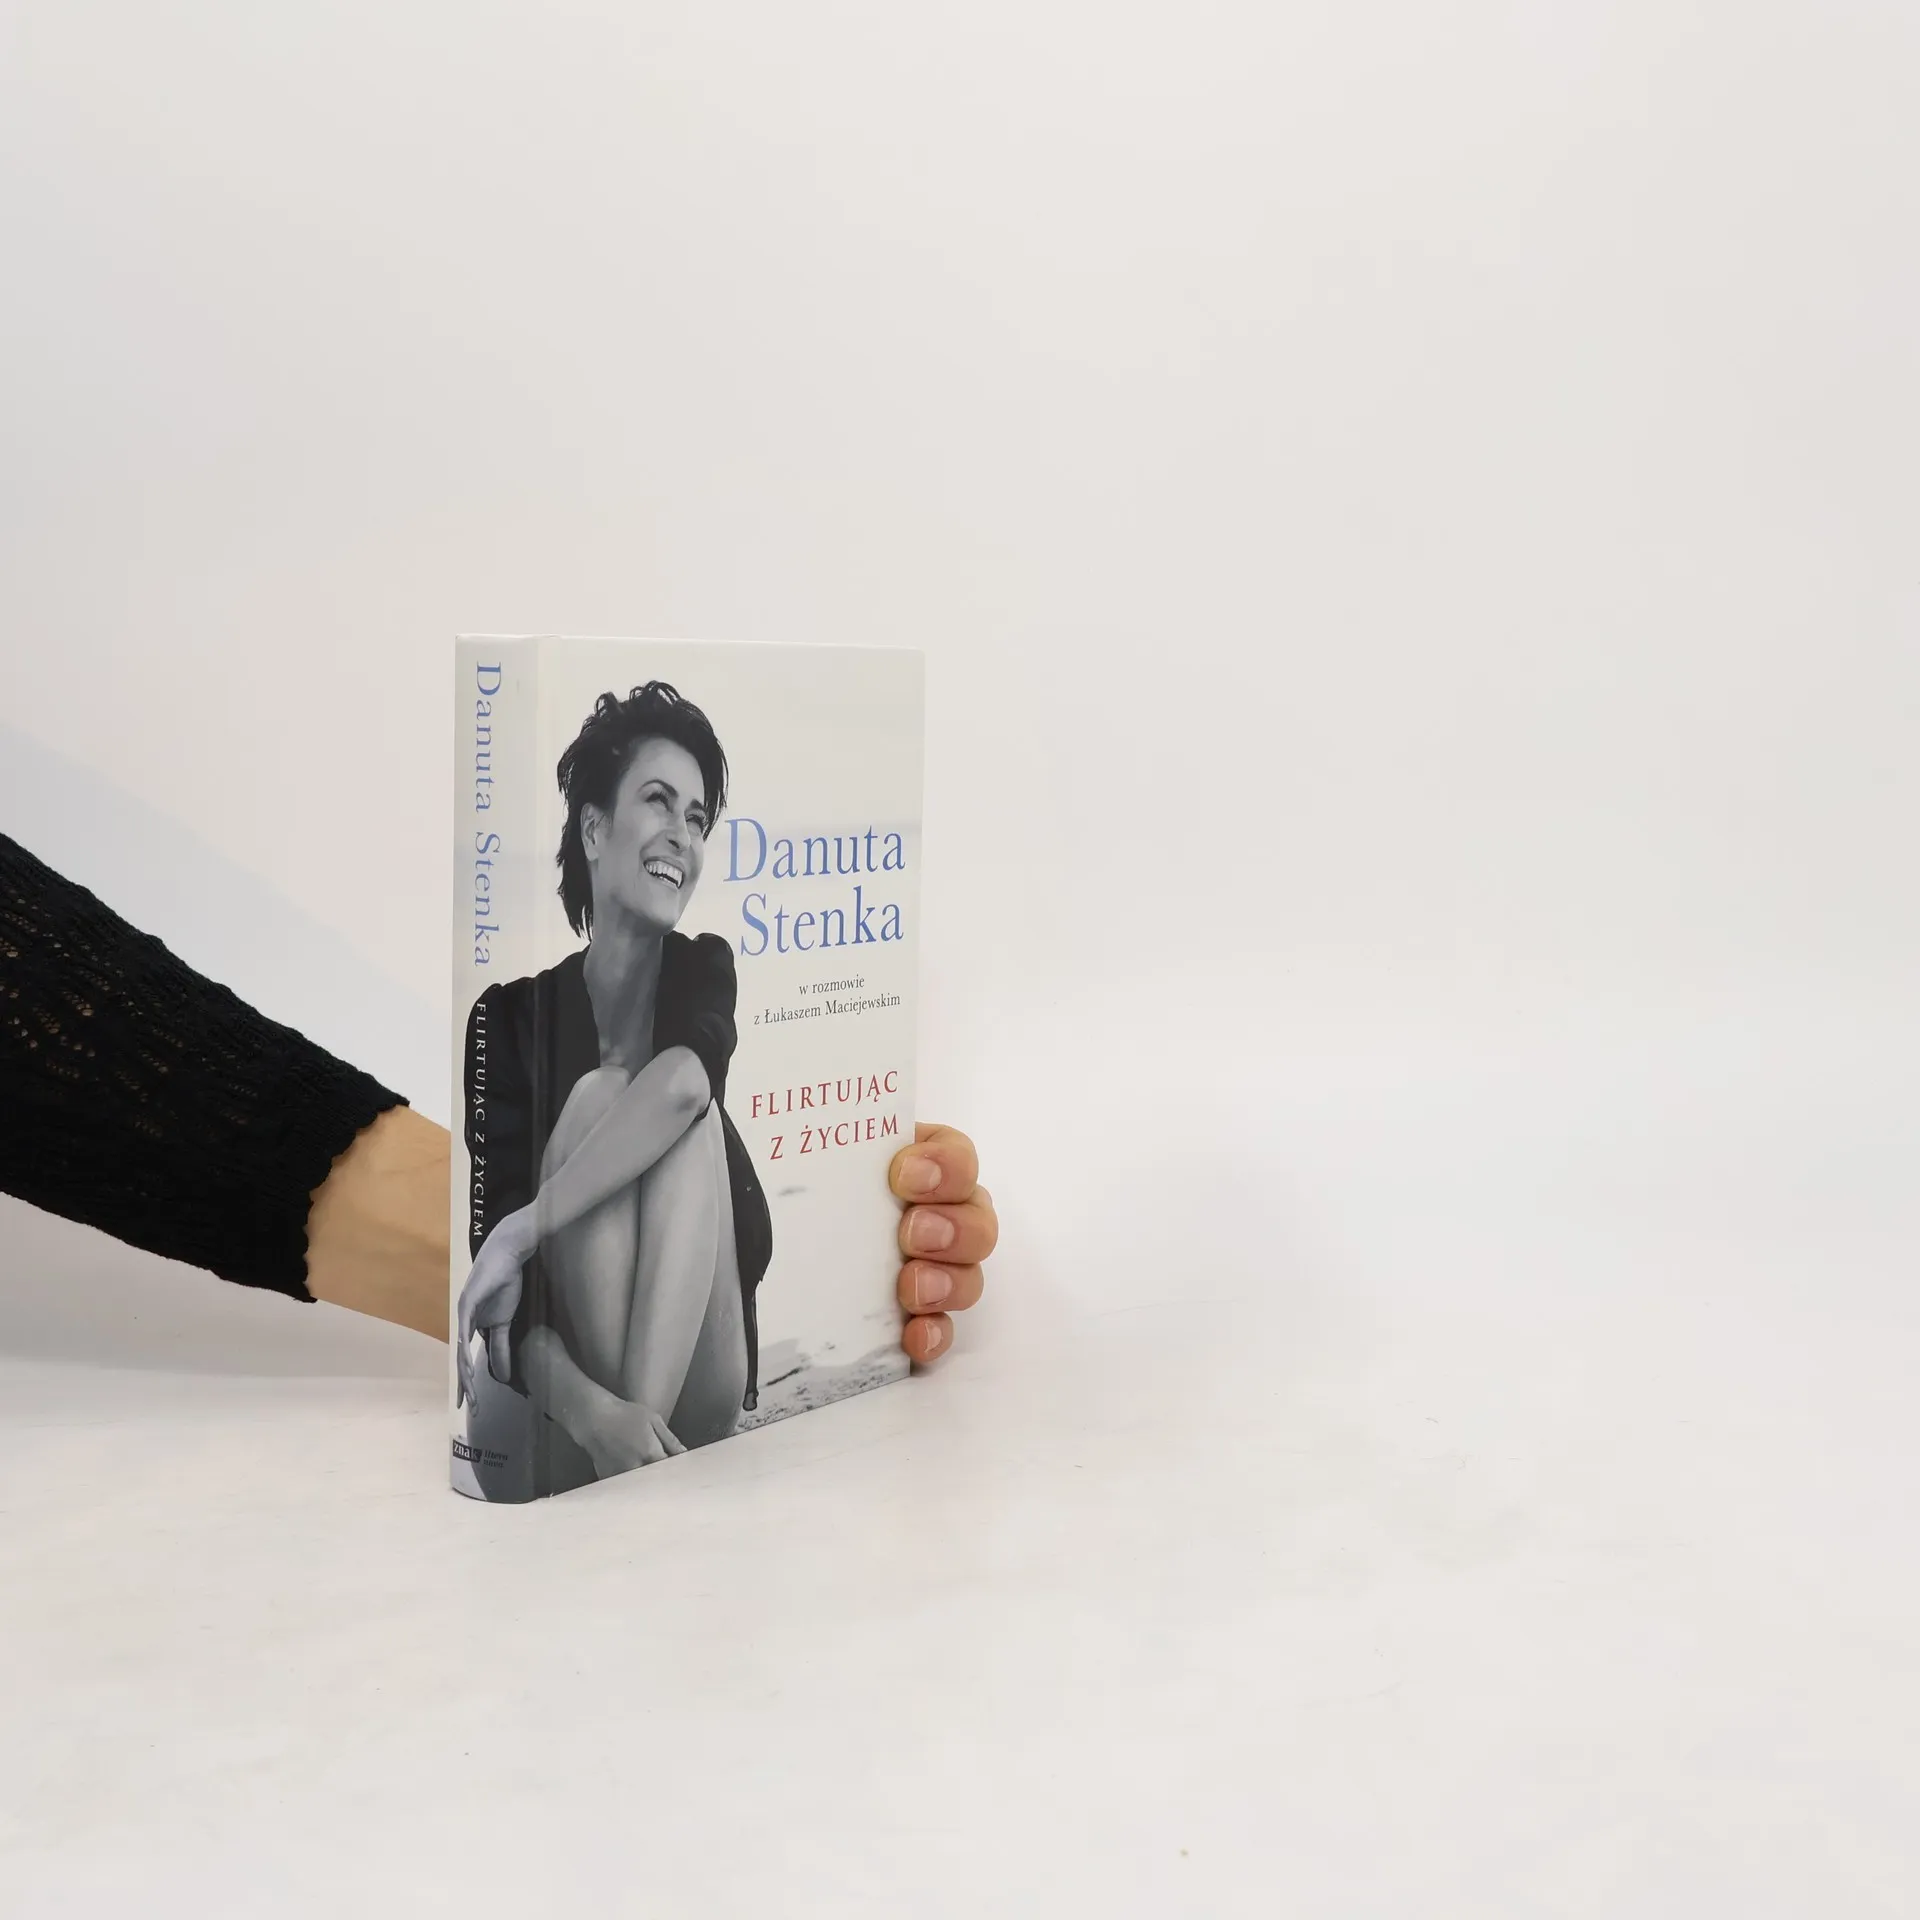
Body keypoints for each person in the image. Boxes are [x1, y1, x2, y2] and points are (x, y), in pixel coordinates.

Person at [0, 829, 995, 1398]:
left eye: (697, 812)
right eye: (657, 801)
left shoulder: (702, 969)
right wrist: (589, 1410)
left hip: (701, 1357)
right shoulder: (511, 1017)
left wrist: (860, 1212)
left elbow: (685, 1092)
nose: (681, 835)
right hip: (592, 1368)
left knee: (628, 1097)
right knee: (600, 1097)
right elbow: (500, 1257)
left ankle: (635, 1431)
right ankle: (627, 1435)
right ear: (593, 828)